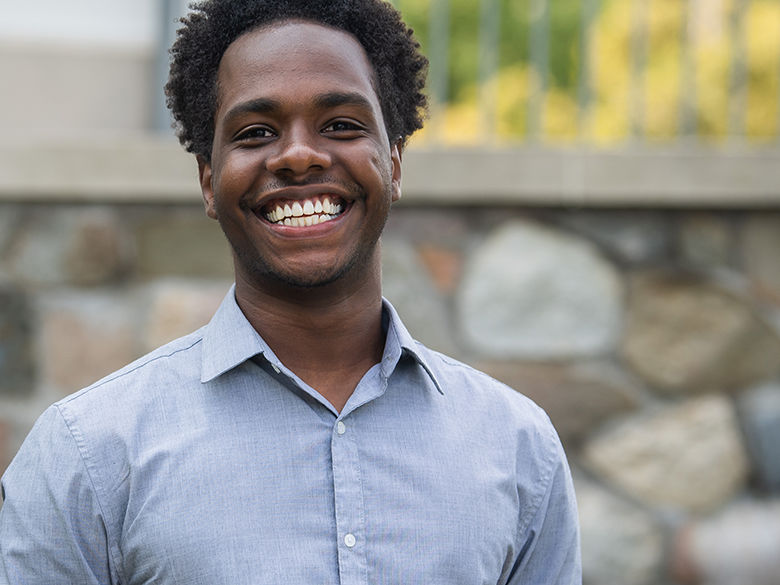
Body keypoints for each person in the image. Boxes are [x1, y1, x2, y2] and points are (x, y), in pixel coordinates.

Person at [0, 0, 581, 583]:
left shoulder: (517, 447)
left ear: (395, 163)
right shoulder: (87, 455)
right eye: (256, 133)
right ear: (209, 181)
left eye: (341, 125)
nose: (300, 155)